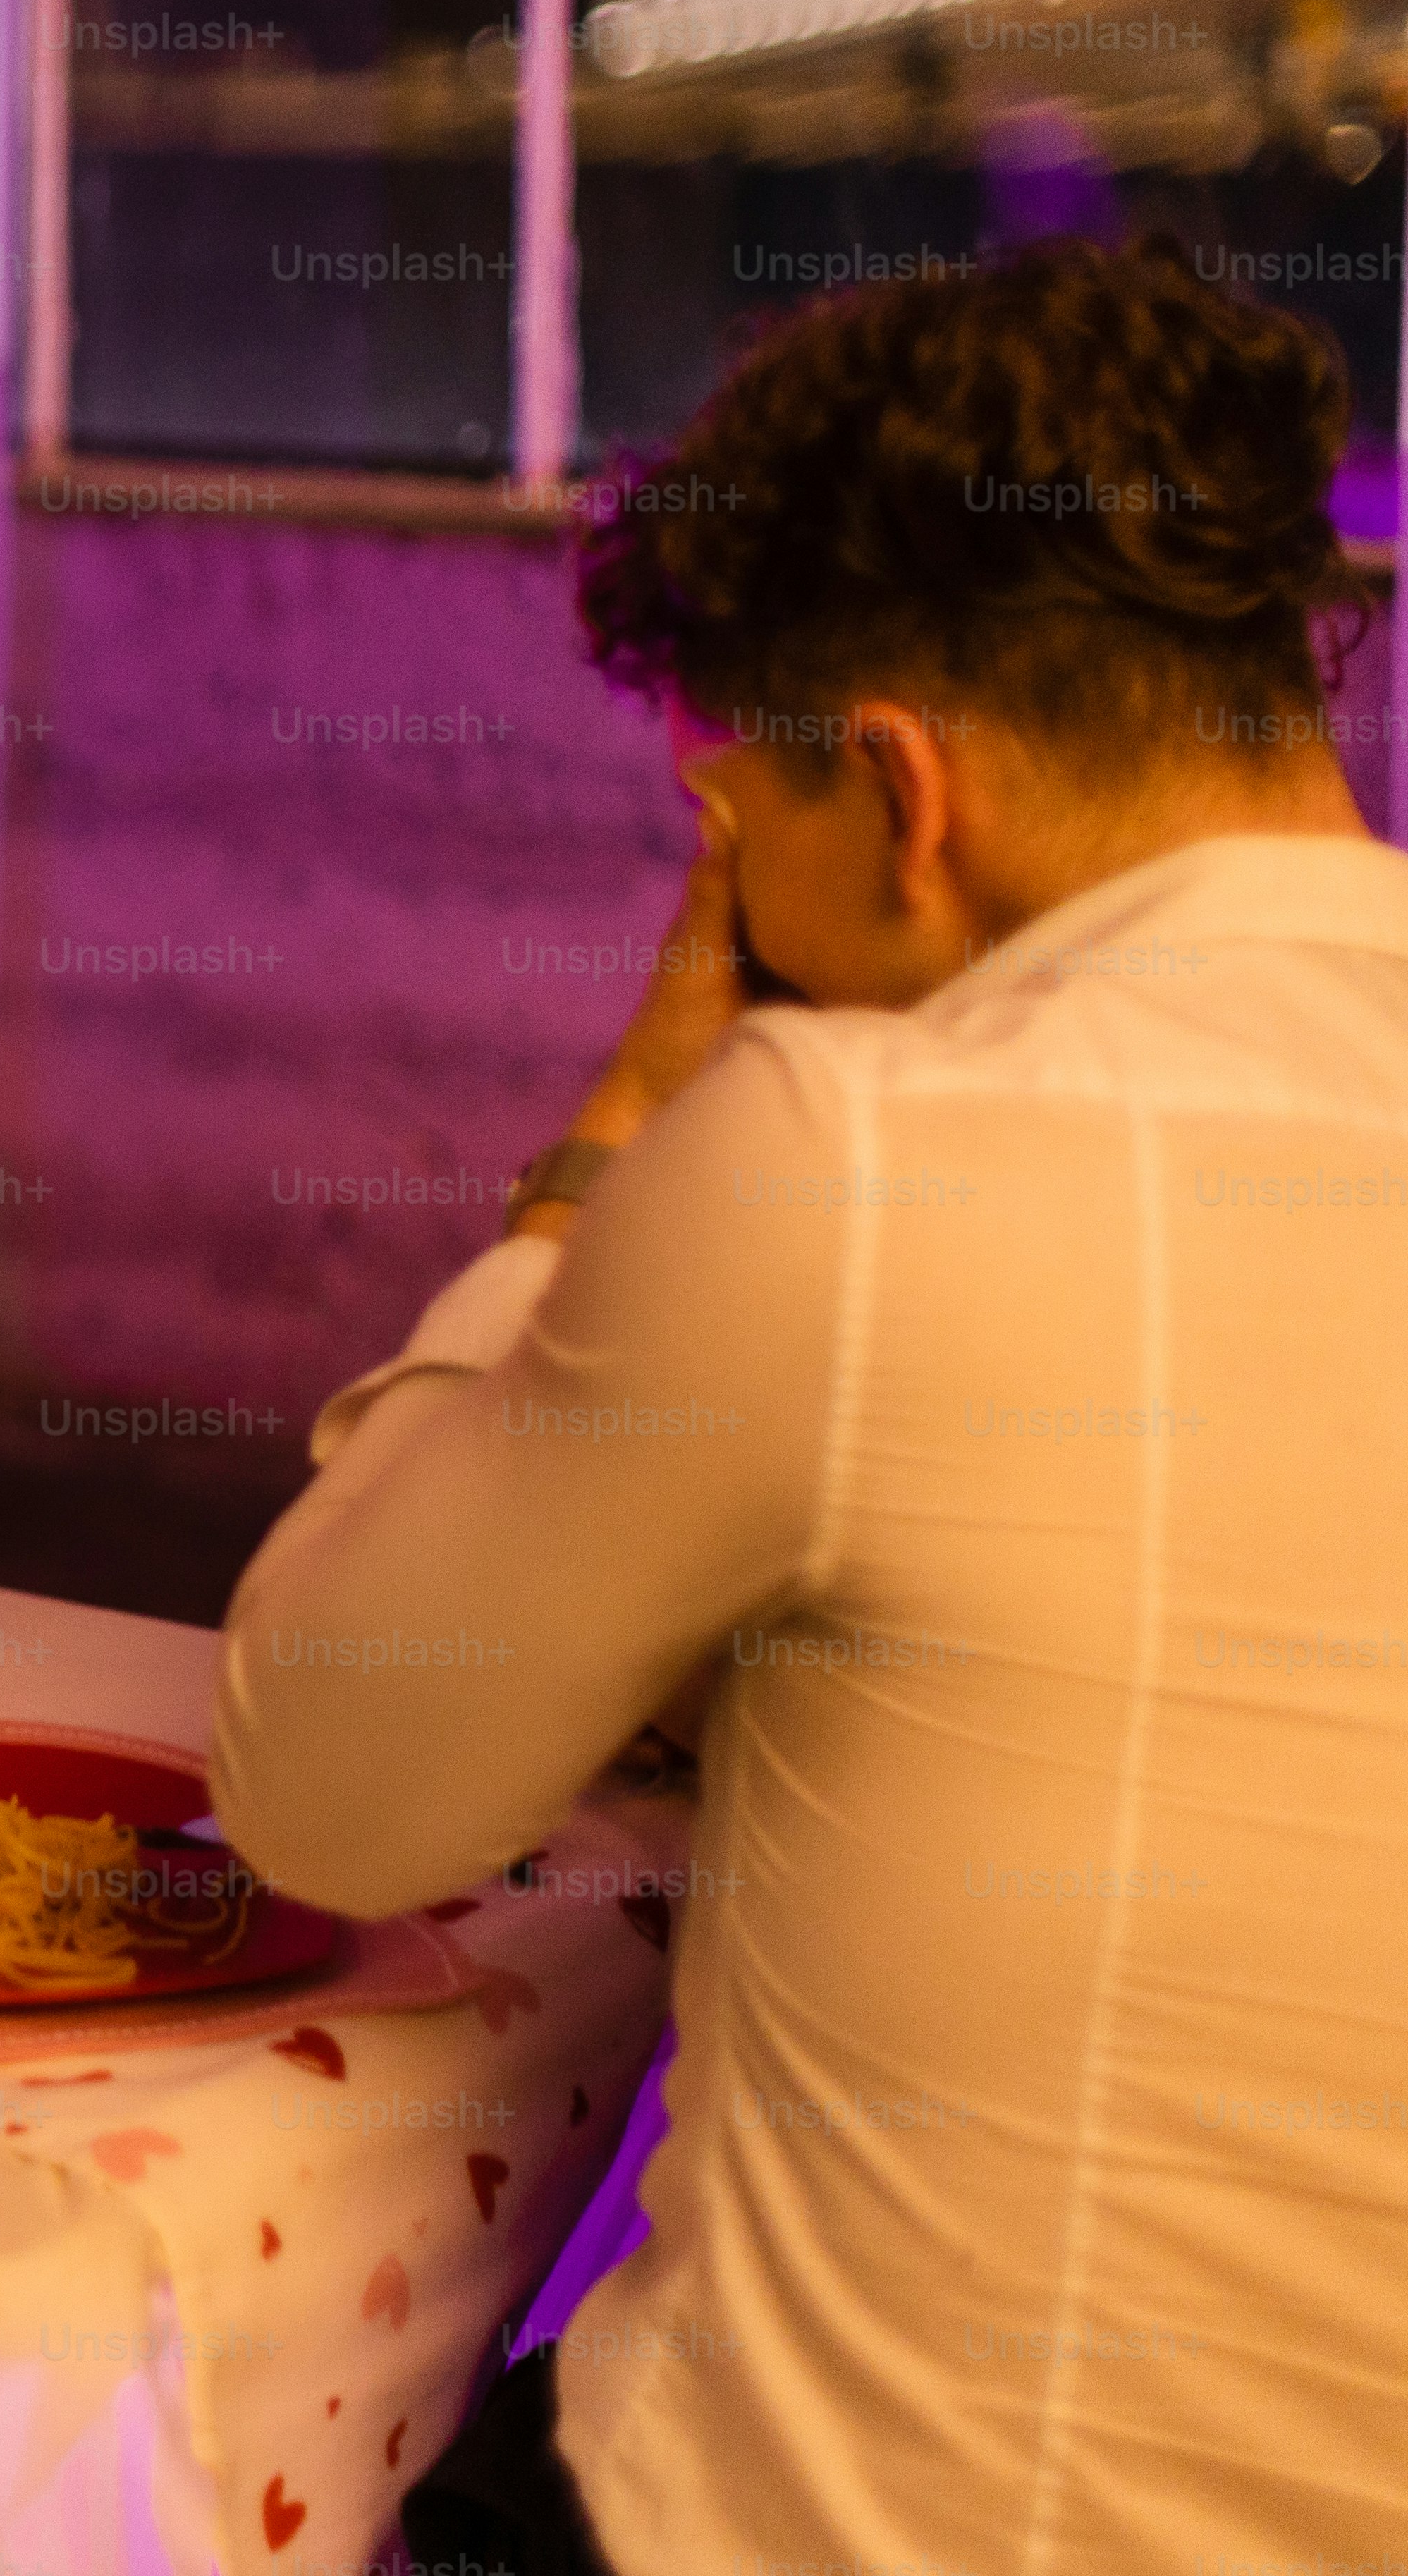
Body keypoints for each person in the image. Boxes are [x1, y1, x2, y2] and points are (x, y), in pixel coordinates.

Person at [210, 240, 1408, 2576]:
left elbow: (324, 1779)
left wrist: (629, 1122)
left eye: (733, 835)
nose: (729, 904)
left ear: (897, 784)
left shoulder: (842, 1153)